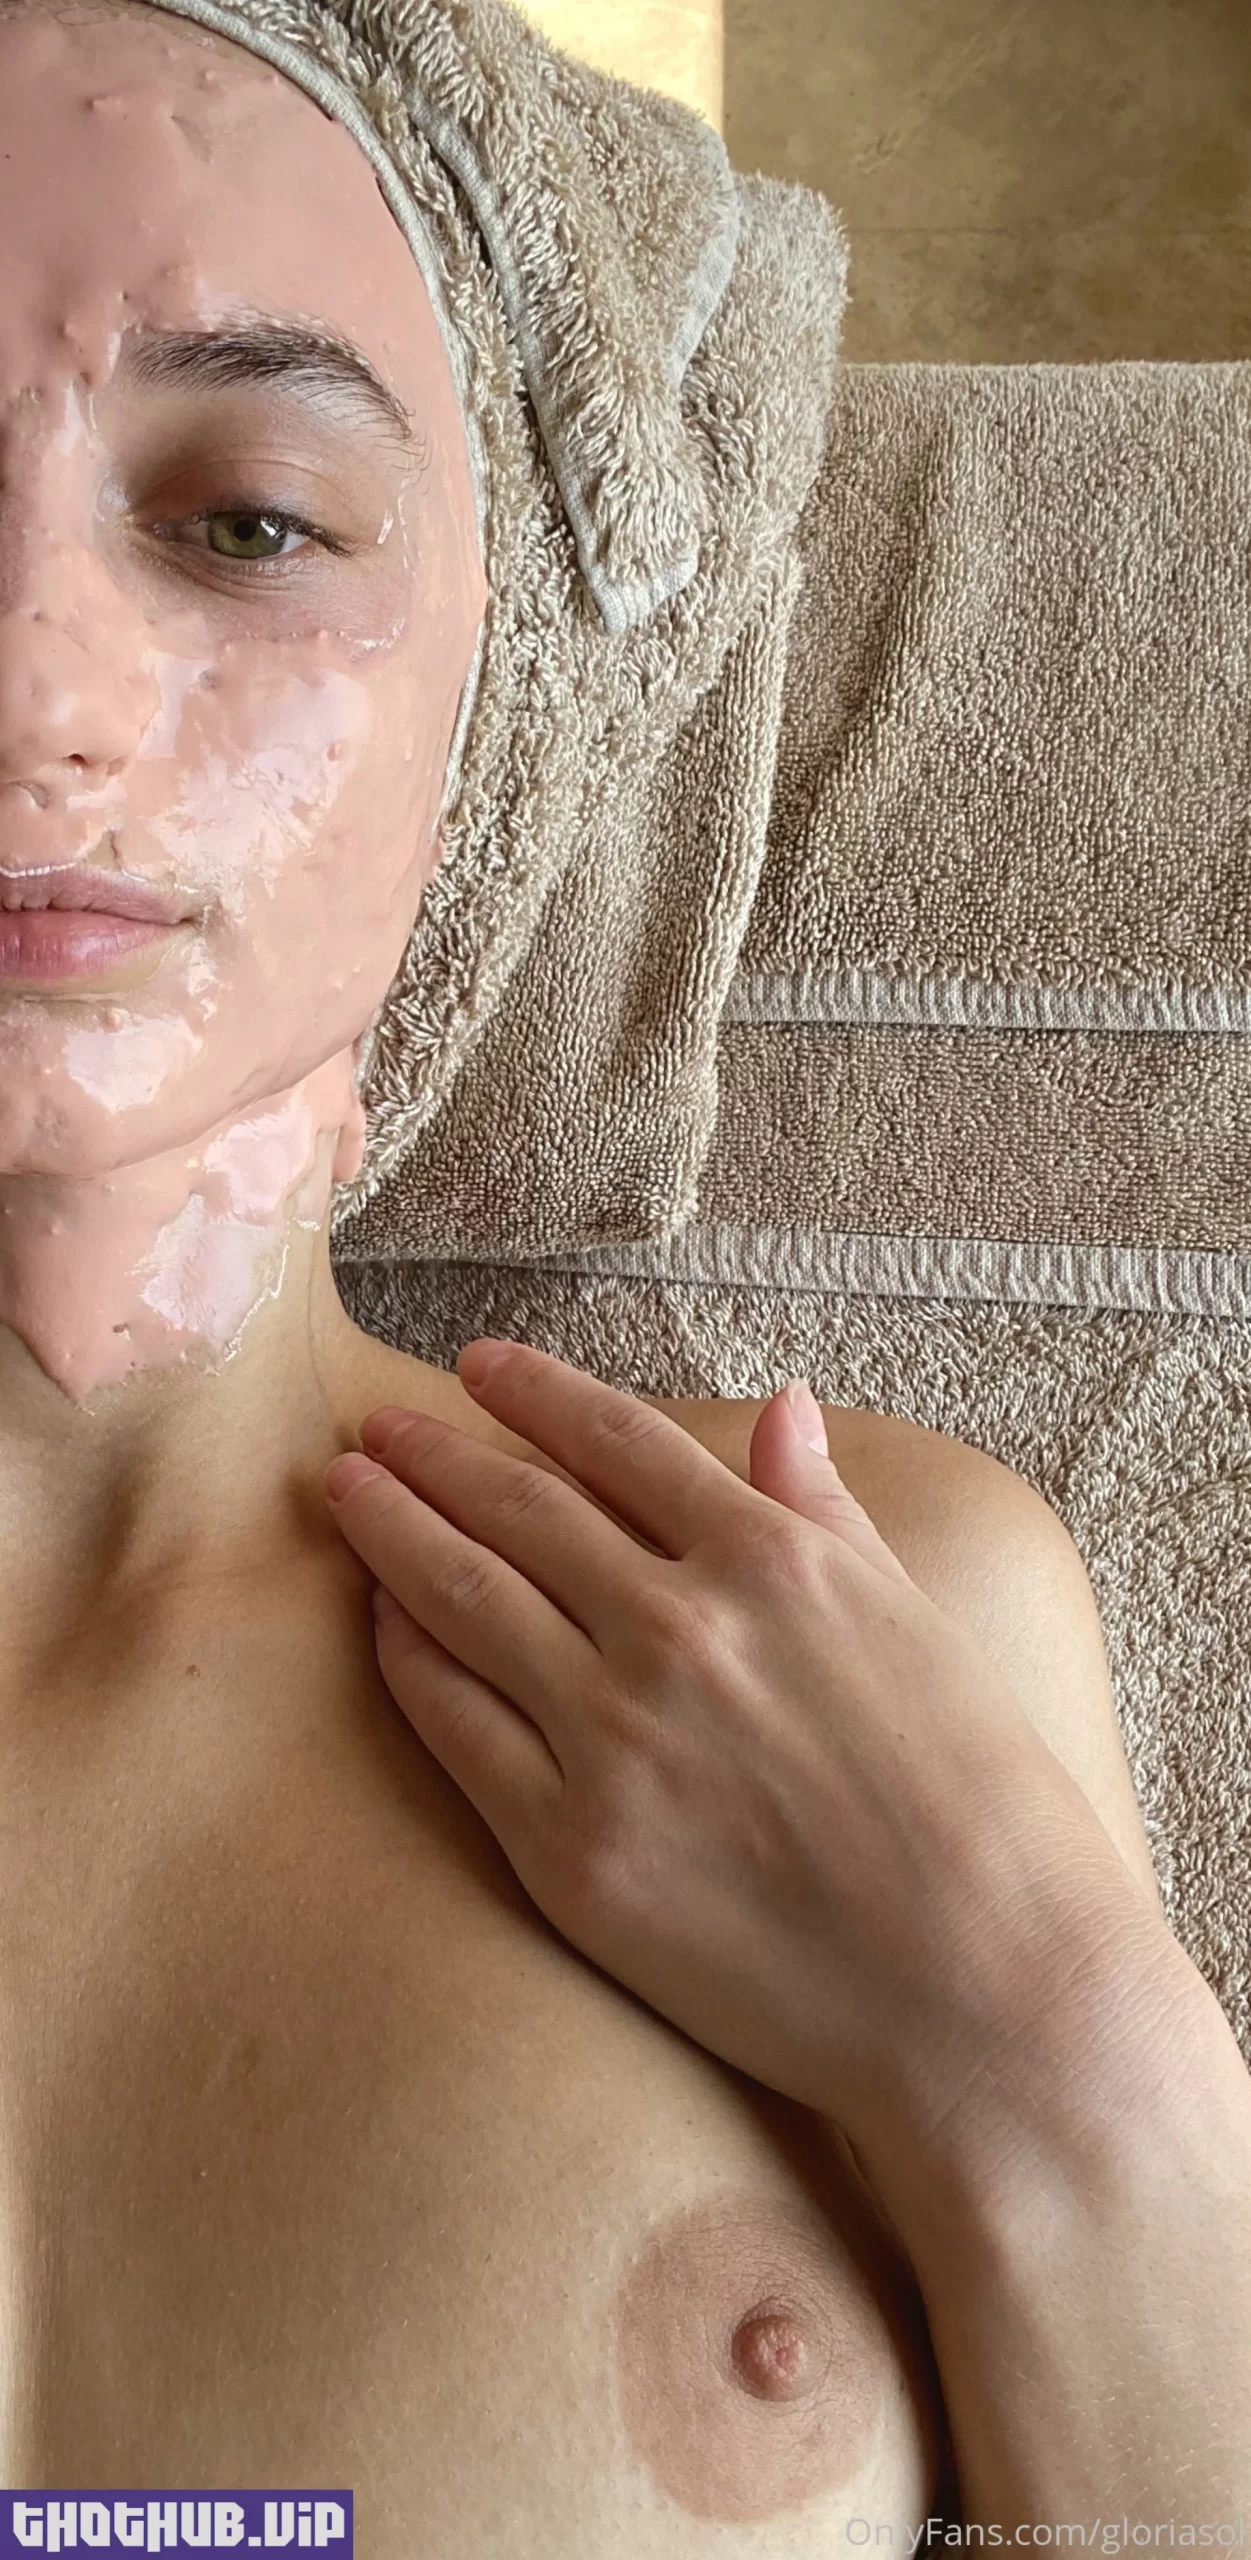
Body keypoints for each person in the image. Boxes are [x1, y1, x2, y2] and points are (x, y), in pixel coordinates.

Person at [0, 0, 1245, 2541]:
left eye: (250, 523)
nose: (35, 693)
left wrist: (1056, 2054)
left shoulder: (852, 1618)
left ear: (490, 695)